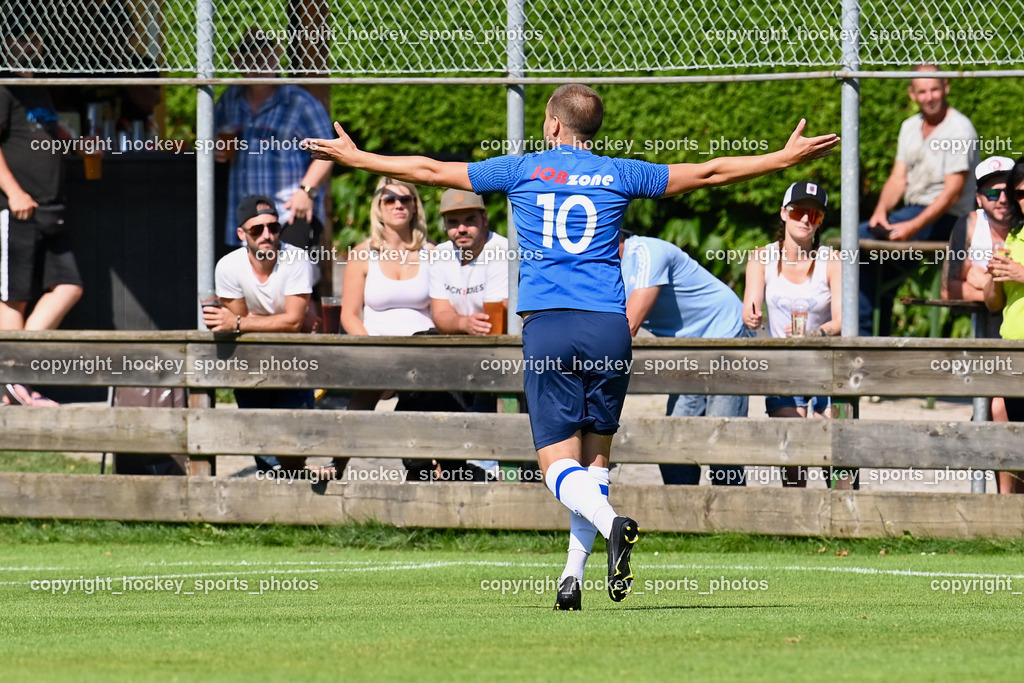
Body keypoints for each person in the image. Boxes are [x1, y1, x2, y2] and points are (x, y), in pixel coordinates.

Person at [305, 83, 838, 609]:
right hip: (608, 327)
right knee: (594, 460)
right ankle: (571, 578)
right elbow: (710, 172)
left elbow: (428, 170)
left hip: (552, 329)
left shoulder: (523, 168)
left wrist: (358, 157)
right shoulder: (620, 172)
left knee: (556, 467)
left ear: (553, 124)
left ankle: (612, 525)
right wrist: (781, 159)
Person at [619, 230, 749, 487]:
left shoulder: (647, 251)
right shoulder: (597, 268)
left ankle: (733, 515)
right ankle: (684, 519)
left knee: (720, 434)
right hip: (688, 350)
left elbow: (628, 325)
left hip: (725, 333)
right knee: (675, 440)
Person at [859, 64, 979, 335]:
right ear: (912, 94)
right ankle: (878, 337)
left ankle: (862, 334)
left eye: (935, 89)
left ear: (946, 87)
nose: (930, 97)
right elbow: (897, 178)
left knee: (858, 242)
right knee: (872, 261)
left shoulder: (959, 129)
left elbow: (953, 192)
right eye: (922, 91)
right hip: (911, 213)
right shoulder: (909, 127)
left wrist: (911, 229)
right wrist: (880, 212)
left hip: (948, 218)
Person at [743, 182, 849, 489]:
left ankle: (845, 523)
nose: (805, 220)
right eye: (799, 211)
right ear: (784, 214)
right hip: (783, 369)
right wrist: (752, 315)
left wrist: (814, 333)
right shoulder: (761, 257)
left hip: (828, 367)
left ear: (820, 222)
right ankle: (794, 529)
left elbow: (843, 320)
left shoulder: (833, 260)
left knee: (833, 450)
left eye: (814, 215)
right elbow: (750, 307)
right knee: (793, 455)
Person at [0, 25, 83, 406]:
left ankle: (16, 374)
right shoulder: (4, 84)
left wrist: (74, 141)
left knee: (69, 286)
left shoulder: (38, 84)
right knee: (12, 299)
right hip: (15, 208)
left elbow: (41, 133)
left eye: (36, 37)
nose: (32, 45)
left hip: (51, 210)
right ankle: (15, 386)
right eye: (22, 39)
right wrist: (14, 191)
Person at [206, 195, 315, 474]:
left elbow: (291, 323)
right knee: (261, 439)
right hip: (251, 358)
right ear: (241, 233)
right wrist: (255, 321)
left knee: (295, 441)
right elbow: (237, 325)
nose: (267, 235)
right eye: (257, 229)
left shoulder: (296, 257)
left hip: (296, 358)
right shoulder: (228, 266)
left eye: (273, 227)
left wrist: (244, 321)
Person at [214, 28, 334, 252]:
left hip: (289, 211)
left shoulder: (299, 101)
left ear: (276, 57)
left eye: (264, 58)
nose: (257, 66)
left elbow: (329, 151)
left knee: (292, 280)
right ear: (238, 63)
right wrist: (217, 149)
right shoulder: (230, 99)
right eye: (250, 59)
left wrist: (307, 191)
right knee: (250, 284)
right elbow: (214, 139)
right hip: (246, 216)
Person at [428, 188, 509, 478]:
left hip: (502, 347)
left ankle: (481, 463)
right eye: (453, 222)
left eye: (469, 220)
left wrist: (459, 323)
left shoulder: (501, 251)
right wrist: (463, 324)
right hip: (459, 345)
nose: (461, 228)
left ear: (485, 219)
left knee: (483, 369)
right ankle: (444, 460)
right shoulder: (439, 254)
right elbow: (440, 315)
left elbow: (495, 320)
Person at [943, 157, 1013, 490]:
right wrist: (986, 286)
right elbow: (949, 285)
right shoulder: (969, 225)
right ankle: (1004, 498)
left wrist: (981, 276)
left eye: (1008, 190)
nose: (1001, 199)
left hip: (1014, 329)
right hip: (991, 335)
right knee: (994, 406)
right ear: (979, 198)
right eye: (991, 191)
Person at [983, 157, 1024, 493]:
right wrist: (993, 277)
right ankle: (1006, 509)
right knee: (1003, 420)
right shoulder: (1015, 236)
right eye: (1020, 193)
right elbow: (994, 303)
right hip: (1012, 349)